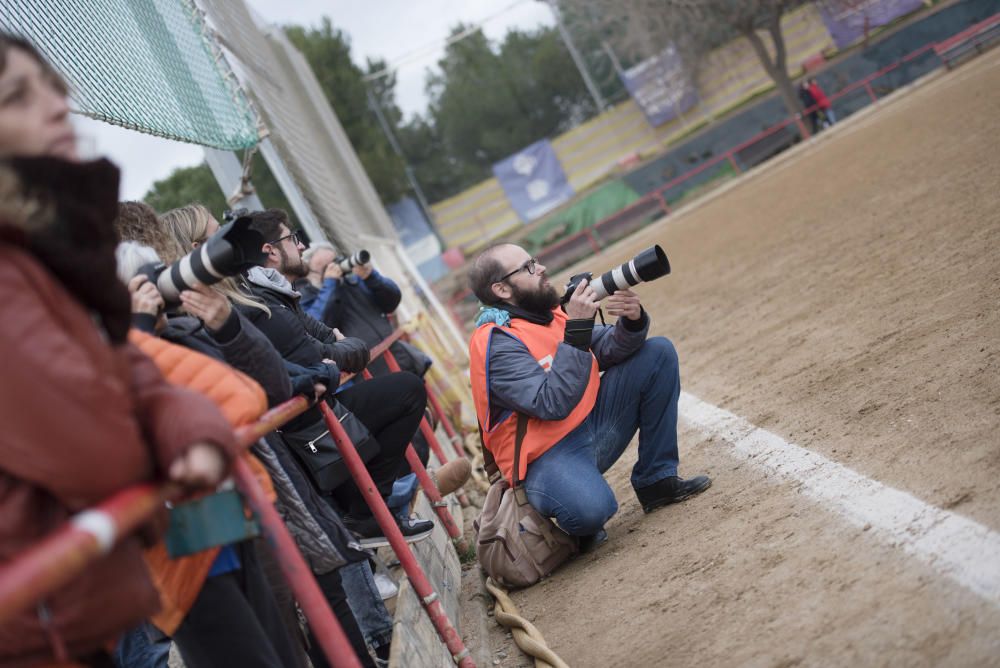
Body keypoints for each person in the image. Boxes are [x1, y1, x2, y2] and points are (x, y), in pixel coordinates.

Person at [0, 33, 236, 665]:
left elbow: (151, 384)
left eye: (51, 84)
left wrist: (192, 428)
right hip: (46, 619)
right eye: (16, 97)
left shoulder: (41, 257)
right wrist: (181, 421)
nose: (56, 104)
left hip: (91, 595)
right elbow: (100, 451)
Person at [467, 244, 711, 548]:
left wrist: (632, 322)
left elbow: (606, 349)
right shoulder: (496, 343)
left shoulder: (544, 316)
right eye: (528, 267)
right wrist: (579, 326)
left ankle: (656, 481)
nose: (541, 268)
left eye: (536, 261)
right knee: (592, 511)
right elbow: (550, 403)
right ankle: (569, 522)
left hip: (590, 427)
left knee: (657, 353)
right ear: (502, 289)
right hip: (545, 458)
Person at [234, 209, 434, 546]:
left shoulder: (279, 291)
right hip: (304, 419)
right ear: (270, 250)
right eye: (292, 238)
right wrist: (332, 339)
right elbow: (310, 352)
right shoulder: (264, 298)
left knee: (407, 408)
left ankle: (378, 510)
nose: (299, 245)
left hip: (323, 402)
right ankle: (370, 514)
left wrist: (364, 278)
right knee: (406, 393)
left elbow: (345, 339)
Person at [298, 241, 432, 378]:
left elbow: (392, 301)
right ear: (309, 274)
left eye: (336, 262)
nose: (335, 269)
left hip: (398, 356)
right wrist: (330, 284)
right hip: (368, 374)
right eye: (326, 267)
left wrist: (371, 276)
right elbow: (318, 325)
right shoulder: (306, 298)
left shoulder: (353, 281)